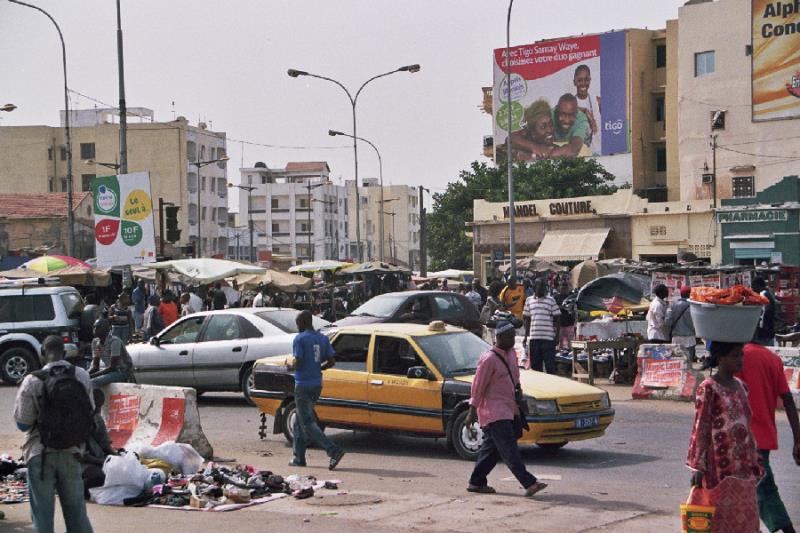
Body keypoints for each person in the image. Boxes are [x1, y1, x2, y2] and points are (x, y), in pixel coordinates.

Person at [14, 335, 94, 533]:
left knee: (42, 517)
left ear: (42, 354)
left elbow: (23, 425)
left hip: (40, 455)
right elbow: (90, 411)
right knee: (77, 514)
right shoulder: (81, 375)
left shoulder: (32, 380)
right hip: (72, 451)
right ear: (64, 353)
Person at [687, 341, 764, 532]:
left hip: (743, 465)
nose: (740, 360)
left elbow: (747, 424)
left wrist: (755, 459)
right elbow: (701, 427)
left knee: (745, 517)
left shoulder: (741, 386)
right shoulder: (709, 388)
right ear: (721, 358)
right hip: (718, 466)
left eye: (741, 355)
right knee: (719, 518)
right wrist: (698, 466)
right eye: (735, 355)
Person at [465, 320, 548, 497]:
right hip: (493, 411)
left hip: (509, 407)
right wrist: (472, 410)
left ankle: (476, 481)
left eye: (513, 336)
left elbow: (515, 379)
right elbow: (478, 386)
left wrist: (520, 396)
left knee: (492, 449)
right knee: (509, 448)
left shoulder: (511, 354)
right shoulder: (488, 360)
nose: (512, 340)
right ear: (500, 337)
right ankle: (529, 483)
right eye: (509, 336)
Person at [737, 342, 800, 533]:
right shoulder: (772, 359)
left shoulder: (735, 358)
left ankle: (786, 529)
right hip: (763, 436)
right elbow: (788, 400)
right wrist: (797, 438)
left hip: (742, 437)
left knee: (763, 489)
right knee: (753, 488)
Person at [286, 310, 345, 470]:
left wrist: (290, 366)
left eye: (298, 323)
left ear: (304, 322)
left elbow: (297, 361)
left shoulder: (300, 339)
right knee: (299, 420)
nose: (297, 326)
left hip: (303, 384)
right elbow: (331, 361)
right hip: (317, 384)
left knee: (306, 422)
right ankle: (299, 458)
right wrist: (318, 368)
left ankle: (333, 450)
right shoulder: (322, 338)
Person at [80, 389, 117, 497]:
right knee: (100, 476)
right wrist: (103, 462)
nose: (98, 410)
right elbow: (82, 456)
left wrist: (118, 459)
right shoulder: (79, 422)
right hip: (82, 464)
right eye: (96, 406)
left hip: (95, 460)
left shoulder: (97, 419)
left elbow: (105, 445)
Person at [523, 280, 561, 374]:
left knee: (550, 367)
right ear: (535, 287)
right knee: (536, 368)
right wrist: (525, 336)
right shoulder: (529, 300)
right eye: (540, 286)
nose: (542, 288)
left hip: (548, 339)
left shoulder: (551, 300)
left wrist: (556, 337)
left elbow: (558, 319)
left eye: (543, 286)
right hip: (534, 338)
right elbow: (527, 320)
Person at [89, 318, 135, 387]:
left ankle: (96, 397)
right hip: (111, 371)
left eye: (97, 327)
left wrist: (92, 376)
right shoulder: (95, 342)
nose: (94, 329)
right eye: (94, 327)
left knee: (93, 382)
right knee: (85, 380)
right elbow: (95, 367)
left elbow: (113, 367)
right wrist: (85, 375)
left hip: (121, 371)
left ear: (105, 329)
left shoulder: (114, 341)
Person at [573, 64, 601, 154]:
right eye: (580, 80)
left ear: (590, 80)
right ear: (574, 82)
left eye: (586, 79)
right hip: (580, 154)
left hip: (598, 152)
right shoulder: (570, 103)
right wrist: (584, 111)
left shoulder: (596, 101)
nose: (583, 83)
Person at [665, 285, 697, 362]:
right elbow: (693, 324)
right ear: (690, 294)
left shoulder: (673, 305)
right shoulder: (692, 306)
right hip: (689, 338)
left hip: (676, 338)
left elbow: (668, 322)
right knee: (689, 362)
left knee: (676, 361)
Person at [752, 276, 777, 346]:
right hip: (769, 330)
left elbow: (765, 312)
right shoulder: (768, 293)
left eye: (753, 286)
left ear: (758, 285)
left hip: (764, 332)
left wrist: (760, 327)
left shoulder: (763, 294)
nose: (753, 289)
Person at [553, 284, 576, 351]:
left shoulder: (571, 297)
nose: (564, 289)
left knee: (570, 342)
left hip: (569, 322)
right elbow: (553, 307)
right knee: (560, 341)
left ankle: (570, 355)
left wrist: (569, 307)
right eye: (563, 288)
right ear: (559, 288)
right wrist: (561, 307)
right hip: (559, 323)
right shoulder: (556, 297)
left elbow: (574, 307)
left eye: (565, 288)